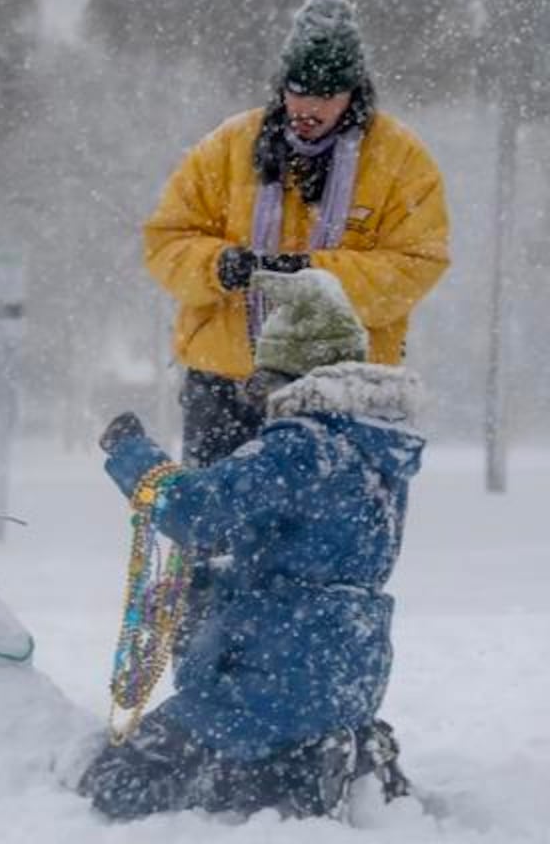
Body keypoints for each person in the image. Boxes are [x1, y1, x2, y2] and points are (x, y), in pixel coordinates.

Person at [143, 0, 449, 672]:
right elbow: (164, 241)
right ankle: (207, 689)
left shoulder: (402, 162)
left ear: (355, 94)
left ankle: (303, 701)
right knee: (212, 551)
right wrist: (219, 266)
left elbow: (418, 263)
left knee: (317, 561)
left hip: (339, 401)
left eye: (326, 95)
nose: (307, 108)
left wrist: (308, 273)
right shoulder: (228, 147)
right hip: (226, 384)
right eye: (296, 90)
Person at [78, 269, 423, 821]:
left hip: (268, 671)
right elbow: (313, 556)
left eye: (262, 384)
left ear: (294, 376)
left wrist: (130, 452)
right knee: (249, 773)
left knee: (116, 784)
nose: (259, 403)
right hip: (347, 668)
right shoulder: (376, 452)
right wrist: (208, 584)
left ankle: (303, 762)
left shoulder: (302, 445)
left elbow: (197, 513)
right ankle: (334, 750)